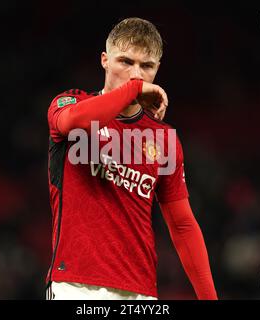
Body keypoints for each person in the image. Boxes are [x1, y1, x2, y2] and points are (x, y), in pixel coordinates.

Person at [46, 17, 217, 300]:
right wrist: (134, 91)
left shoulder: (164, 140)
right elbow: (71, 122)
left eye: (146, 66)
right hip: (75, 286)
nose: (135, 74)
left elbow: (183, 225)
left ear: (157, 70)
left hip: (139, 293)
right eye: (125, 61)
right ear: (104, 60)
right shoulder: (71, 103)